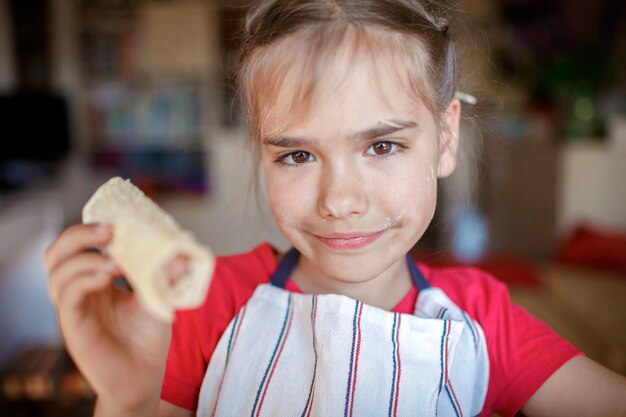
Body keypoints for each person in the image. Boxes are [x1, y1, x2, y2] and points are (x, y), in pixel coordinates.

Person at [45, 1, 626, 416]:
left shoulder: (482, 322)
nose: (340, 201)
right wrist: (126, 399)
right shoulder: (206, 304)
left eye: (382, 146)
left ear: (445, 139)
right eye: (297, 154)